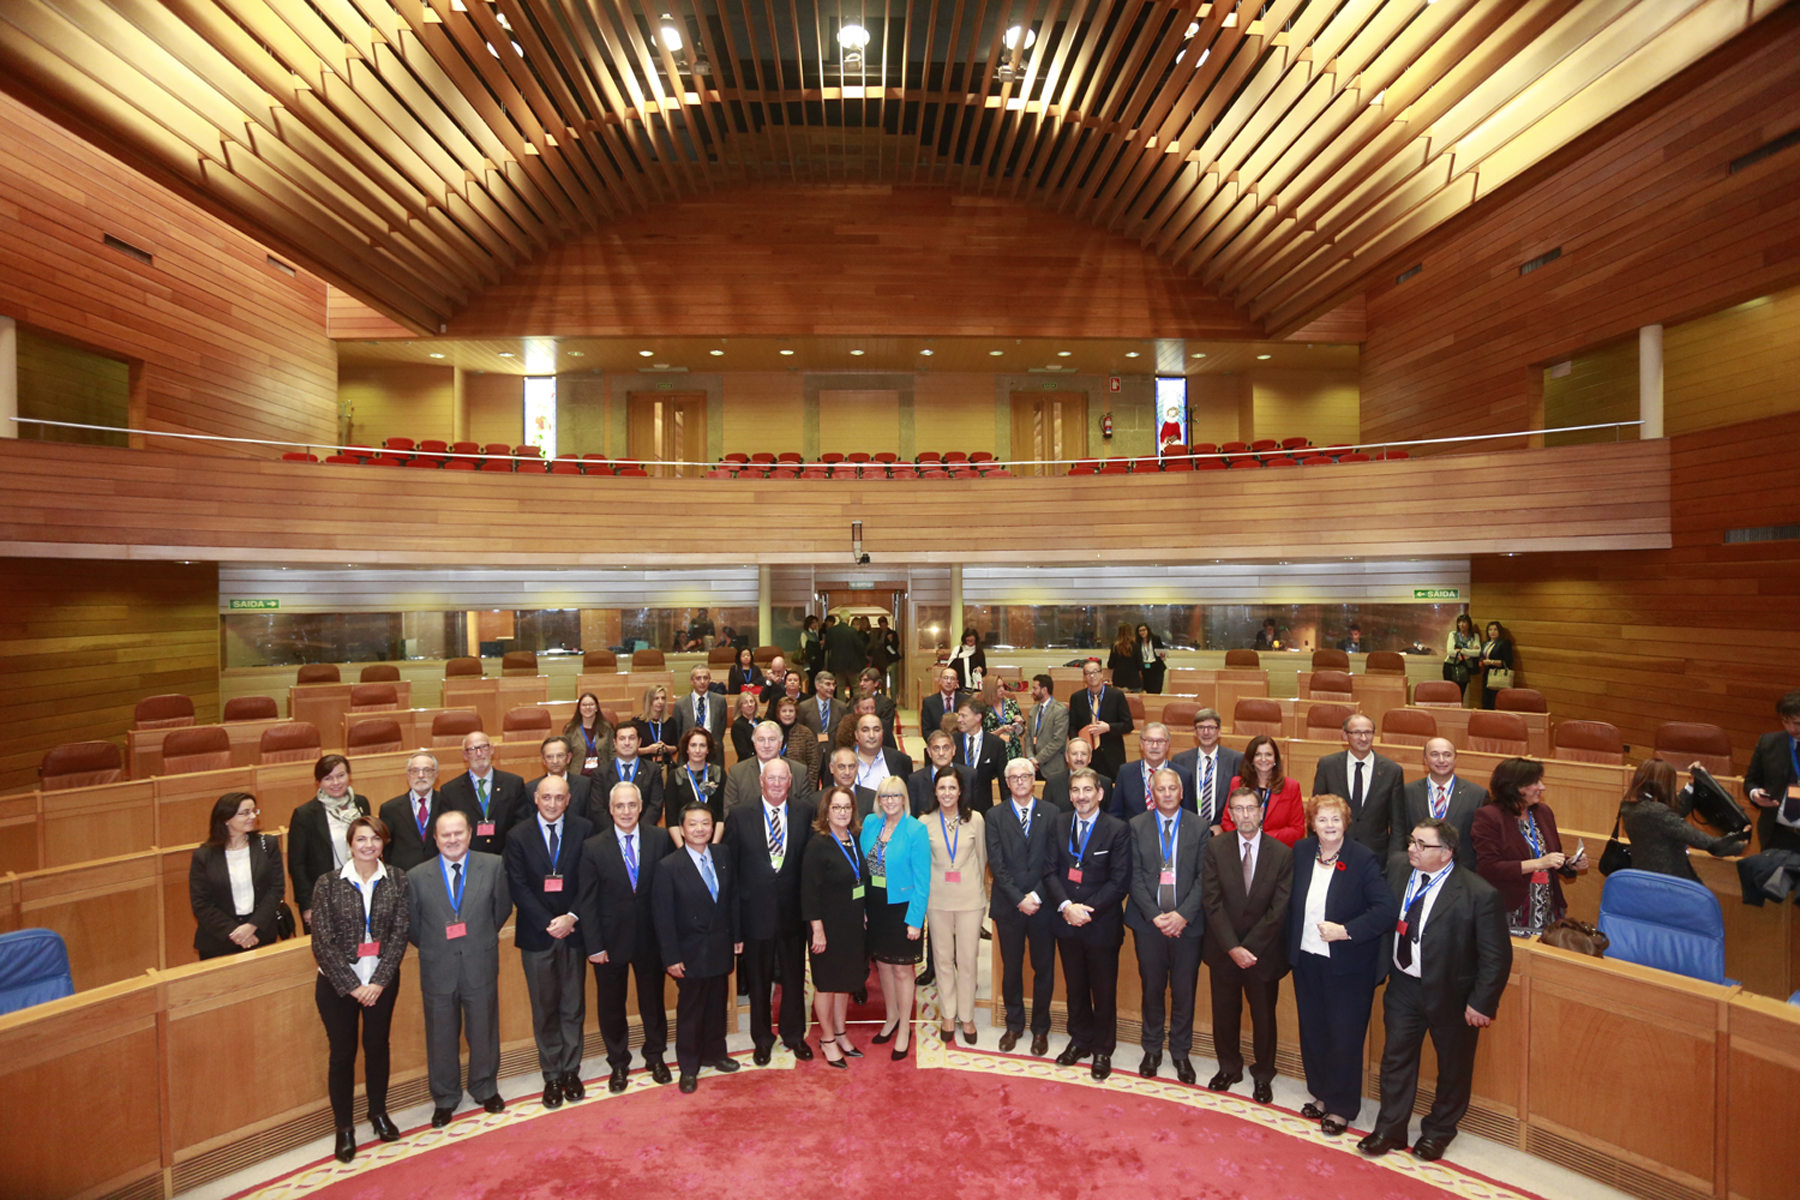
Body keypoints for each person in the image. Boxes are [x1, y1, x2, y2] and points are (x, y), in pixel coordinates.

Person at [1360, 818, 1513, 1162]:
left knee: (1453, 1068)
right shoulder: (1399, 868)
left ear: (1446, 853)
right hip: (1403, 986)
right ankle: (1390, 1130)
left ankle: (1438, 1132)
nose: (1411, 849)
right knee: (1395, 1059)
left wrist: (1482, 1002)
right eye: (1411, 841)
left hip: (1452, 994)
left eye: (1421, 845)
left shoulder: (1479, 894)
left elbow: (1496, 956)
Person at [1287, 793, 1396, 1137]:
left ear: (1346, 823)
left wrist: (1345, 931)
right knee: (1313, 1031)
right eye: (1322, 819)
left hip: (1348, 965)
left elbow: (1385, 910)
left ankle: (1342, 1107)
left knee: (1343, 1037)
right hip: (1306, 957)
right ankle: (1321, 1094)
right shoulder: (1302, 851)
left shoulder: (1362, 858)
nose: (1329, 825)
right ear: (1312, 824)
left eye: (1336, 819)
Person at [311, 815, 409, 1162]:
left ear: (384, 843)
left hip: (381, 982)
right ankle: (344, 1128)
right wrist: (354, 986)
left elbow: (400, 933)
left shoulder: (397, 879)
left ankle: (378, 1113)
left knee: (378, 1048)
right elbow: (321, 941)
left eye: (375, 839)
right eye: (361, 839)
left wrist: (378, 981)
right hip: (338, 986)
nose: (369, 845)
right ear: (350, 844)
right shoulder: (328, 883)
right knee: (342, 1055)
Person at [407, 808, 512, 1128]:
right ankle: (445, 1097)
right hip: (437, 964)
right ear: (435, 838)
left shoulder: (493, 865)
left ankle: (485, 1087)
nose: (452, 839)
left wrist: (478, 939)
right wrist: (438, 946)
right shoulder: (416, 876)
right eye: (445, 834)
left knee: (484, 1029)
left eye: (458, 833)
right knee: (440, 1035)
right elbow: (413, 926)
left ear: (470, 834)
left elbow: (501, 910)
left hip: (479, 960)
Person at [578, 780, 676, 1092]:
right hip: (610, 942)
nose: (626, 811)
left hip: (651, 939)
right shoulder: (593, 847)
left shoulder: (660, 838)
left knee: (653, 1003)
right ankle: (618, 1063)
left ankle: (655, 1057)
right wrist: (594, 945)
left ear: (641, 807)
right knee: (611, 1007)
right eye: (619, 806)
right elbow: (587, 901)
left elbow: (668, 892)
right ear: (610, 809)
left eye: (631, 805)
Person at [504, 774, 592, 1109]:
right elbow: (517, 886)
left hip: (574, 932)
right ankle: (552, 1074)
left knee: (573, 1006)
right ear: (536, 799)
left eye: (559, 797)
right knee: (544, 1010)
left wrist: (571, 916)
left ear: (568, 800)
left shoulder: (584, 829)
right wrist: (548, 922)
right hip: (537, 934)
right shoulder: (518, 835)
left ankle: (571, 1070)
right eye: (546, 797)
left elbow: (588, 880)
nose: (552, 803)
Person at [1202, 787, 1293, 1099]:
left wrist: (1249, 948)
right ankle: (1229, 1067)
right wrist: (1232, 947)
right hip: (1223, 950)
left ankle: (1263, 1074)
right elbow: (1211, 901)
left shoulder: (1281, 853)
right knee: (1225, 1014)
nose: (1245, 815)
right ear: (1230, 814)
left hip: (1263, 954)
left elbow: (1279, 909)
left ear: (1261, 812)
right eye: (1238, 809)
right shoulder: (1216, 848)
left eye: (1250, 808)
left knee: (1264, 1019)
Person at [724, 758, 816, 1063]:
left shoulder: (805, 812)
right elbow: (732, 873)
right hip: (755, 915)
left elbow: (810, 866)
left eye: (782, 779)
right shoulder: (740, 815)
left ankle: (794, 1035)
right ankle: (762, 1039)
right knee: (759, 981)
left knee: (794, 979)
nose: (776, 784)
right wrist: (735, 926)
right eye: (771, 779)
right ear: (761, 781)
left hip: (793, 913)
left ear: (790, 782)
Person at [1046, 768, 1132, 1080]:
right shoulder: (1058, 823)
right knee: (1076, 987)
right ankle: (1079, 1040)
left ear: (1100, 793)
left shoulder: (1117, 829)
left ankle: (1102, 1049)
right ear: (1070, 795)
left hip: (1101, 924)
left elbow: (1120, 881)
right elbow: (1049, 870)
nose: (1081, 796)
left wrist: (1086, 909)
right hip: (1066, 921)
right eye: (1076, 790)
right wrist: (1067, 907)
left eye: (1087, 790)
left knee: (1103, 990)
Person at [653, 801, 744, 1093]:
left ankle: (716, 1054)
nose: (699, 829)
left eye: (705, 823)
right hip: (689, 951)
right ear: (681, 829)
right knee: (691, 1012)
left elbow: (732, 898)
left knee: (717, 1005)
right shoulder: (668, 866)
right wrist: (671, 956)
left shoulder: (723, 854)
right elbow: (663, 916)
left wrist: (737, 936)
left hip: (720, 944)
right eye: (692, 824)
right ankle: (689, 1067)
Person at [1126, 767, 1208, 1080]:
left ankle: (1180, 1052)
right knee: (1152, 988)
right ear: (1152, 793)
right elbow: (1133, 875)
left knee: (1184, 991)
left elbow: (1204, 876)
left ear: (1182, 791)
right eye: (1161, 789)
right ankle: (1152, 1049)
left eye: (1173, 788)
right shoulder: (1136, 825)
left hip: (1188, 925)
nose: (1168, 794)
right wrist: (1155, 914)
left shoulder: (1199, 826)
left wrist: (1182, 914)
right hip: (1149, 924)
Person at [986, 758, 1056, 1057]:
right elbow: (996, 864)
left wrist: (1037, 896)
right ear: (1006, 783)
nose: (1020, 782)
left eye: (1025, 776)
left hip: (1044, 906)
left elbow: (1054, 860)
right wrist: (1019, 899)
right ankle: (1014, 1025)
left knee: (1044, 969)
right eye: (1013, 778)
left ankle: (1040, 1029)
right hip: (1009, 906)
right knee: (1012, 968)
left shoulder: (1052, 813)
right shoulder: (994, 815)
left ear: (1033, 779)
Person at [1470, 757, 1585, 936]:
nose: (1542, 787)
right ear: (1516, 786)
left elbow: (1550, 854)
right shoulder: (1489, 817)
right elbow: (1488, 867)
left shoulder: (1544, 812)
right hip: (1512, 911)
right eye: (1535, 782)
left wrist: (1569, 864)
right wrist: (1539, 863)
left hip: (1548, 909)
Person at [862, 776, 929, 1060]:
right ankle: (891, 1018)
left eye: (895, 795)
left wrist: (915, 920)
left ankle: (905, 1027)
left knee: (902, 970)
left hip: (903, 908)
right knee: (883, 966)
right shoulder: (870, 823)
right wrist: (863, 909)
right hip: (876, 906)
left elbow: (923, 881)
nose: (890, 801)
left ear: (904, 799)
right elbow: (860, 867)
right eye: (885, 796)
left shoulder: (916, 829)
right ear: (878, 800)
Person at [802, 787, 868, 1067]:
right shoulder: (818, 844)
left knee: (845, 981)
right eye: (836, 807)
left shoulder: (854, 839)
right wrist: (817, 929)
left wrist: (863, 912)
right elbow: (809, 892)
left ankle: (840, 1032)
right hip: (826, 926)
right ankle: (827, 1038)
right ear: (826, 811)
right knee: (827, 984)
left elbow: (858, 879)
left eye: (847, 807)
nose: (842, 812)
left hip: (851, 923)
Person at [922, 766, 988, 1045]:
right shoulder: (924, 822)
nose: (947, 793)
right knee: (943, 959)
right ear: (935, 791)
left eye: (952, 787)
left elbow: (982, 858)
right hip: (937, 899)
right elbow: (922, 864)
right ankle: (949, 1014)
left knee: (967, 960)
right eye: (942, 788)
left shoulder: (976, 820)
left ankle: (967, 1015)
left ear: (960, 791)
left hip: (970, 899)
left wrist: (979, 891)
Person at [189, 791, 285, 960]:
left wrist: (252, 926)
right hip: (219, 940)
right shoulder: (204, 855)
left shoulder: (267, 845)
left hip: (260, 933)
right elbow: (201, 902)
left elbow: (276, 888)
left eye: (254, 811)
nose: (252, 817)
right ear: (226, 818)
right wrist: (235, 932)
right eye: (245, 813)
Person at [1620, 758, 1748, 880]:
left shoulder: (1628, 805)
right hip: (1671, 880)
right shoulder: (1658, 813)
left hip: (1643, 875)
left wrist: (1692, 785)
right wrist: (1739, 844)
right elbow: (1703, 841)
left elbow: (1671, 815)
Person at [288, 754, 371, 932]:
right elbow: (297, 865)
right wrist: (307, 905)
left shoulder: (361, 804)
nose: (336, 783)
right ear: (318, 782)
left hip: (362, 888)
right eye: (328, 778)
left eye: (341, 775)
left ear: (349, 776)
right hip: (326, 896)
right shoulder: (305, 814)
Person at [1312, 713, 1402, 855]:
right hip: (1334, 850)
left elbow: (1398, 824)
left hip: (1376, 855)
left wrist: (1394, 859)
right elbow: (1316, 811)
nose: (1363, 738)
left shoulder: (1392, 771)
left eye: (1368, 732)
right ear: (1345, 735)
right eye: (1357, 733)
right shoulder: (1328, 765)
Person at [1391, 739, 1487, 870]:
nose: (1441, 760)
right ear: (1425, 759)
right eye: (1434, 754)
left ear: (1455, 759)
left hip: (1460, 870)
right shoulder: (1407, 792)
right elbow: (1399, 833)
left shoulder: (1477, 794)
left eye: (1447, 755)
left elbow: (1480, 842)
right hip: (1417, 867)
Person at [442, 731, 529, 856]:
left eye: (483, 747)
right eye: (472, 749)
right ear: (465, 755)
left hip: (506, 857)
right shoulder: (450, 790)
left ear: (491, 750)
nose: (479, 753)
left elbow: (521, 826)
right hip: (469, 859)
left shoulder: (513, 784)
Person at [1744, 688, 1800, 855]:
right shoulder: (1769, 743)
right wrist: (1755, 794)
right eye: (1785, 722)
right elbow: (1751, 781)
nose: (1791, 728)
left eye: (1797, 723)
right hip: (1776, 834)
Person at [1224, 735, 1305, 846]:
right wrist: (1247, 838)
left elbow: (1297, 829)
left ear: (1275, 759)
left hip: (1277, 849)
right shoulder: (1237, 783)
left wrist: (1260, 838)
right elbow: (1227, 821)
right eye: (1258, 754)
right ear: (1251, 759)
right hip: (1243, 846)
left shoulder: (1291, 786)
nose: (1263, 759)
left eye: (1268, 754)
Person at [1172, 708, 1243, 831]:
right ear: (1195, 732)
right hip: (1188, 829)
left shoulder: (1236, 760)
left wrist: (1223, 827)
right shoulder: (1180, 760)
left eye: (1211, 727)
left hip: (1222, 831)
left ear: (1219, 731)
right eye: (1201, 727)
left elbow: (1240, 799)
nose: (1206, 732)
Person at [1111, 721, 1194, 820]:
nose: (1154, 746)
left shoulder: (1183, 775)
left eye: (1160, 741)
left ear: (1168, 744)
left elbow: (1190, 817)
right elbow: (1116, 814)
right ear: (1141, 744)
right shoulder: (1125, 772)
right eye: (1149, 740)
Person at [381, 752, 448, 871]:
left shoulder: (448, 803)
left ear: (436, 774)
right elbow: (386, 849)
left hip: (441, 872)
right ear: (407, 775)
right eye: (415, 771)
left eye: (427, 770)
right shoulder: (390, 809)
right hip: (405, 874)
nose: (421, 775)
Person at [1068, 658, 1133, 779]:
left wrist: (1109, 727)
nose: (1092, 676)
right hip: (1086, 756)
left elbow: (1128, 724)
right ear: (1084, 677)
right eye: (1088, 673)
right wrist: (1079, 744)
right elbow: (1072, 726)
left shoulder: (1116, 695)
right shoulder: (1077, 697)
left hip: (1111, 755)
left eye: (1095, 672)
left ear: (1101, 674)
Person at [597, 723, 665, 828]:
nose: (627, 743)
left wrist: (638, 830)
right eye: (622, 739)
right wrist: (617, 832)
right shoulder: (601, 772)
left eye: (631, 738)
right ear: (615, 743)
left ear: (639, 742)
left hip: (644, 832)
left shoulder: (653, 770)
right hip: (610, 833)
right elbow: (597, 809)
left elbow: (656, 806)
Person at [667, 727, 725, 842]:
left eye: (702, 745)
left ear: (708, 749)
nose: (697, 750)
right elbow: (671, 818)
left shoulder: (718, 774)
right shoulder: (675, 776)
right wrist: (683, 849)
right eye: (693, 745)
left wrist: (714, 846)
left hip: (714, 839)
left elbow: (722, 814)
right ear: (687, 749)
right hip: (683, 841)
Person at [722, 719, 794, 812]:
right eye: (761, 740)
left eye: (772, 739)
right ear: (754, 743)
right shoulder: (737, 773)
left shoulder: (798, 771)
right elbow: (730, 813)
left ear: (780, 743)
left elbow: (805, 813)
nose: (766, 745)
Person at [525, 735, 594, 822]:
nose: (555, 761)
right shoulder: (531, 788)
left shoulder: (585, 785)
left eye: (560, 755)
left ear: (568, 758)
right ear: (543, 760)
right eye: (550, 757)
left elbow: (591, 818)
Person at [954, 699, 1006, 812]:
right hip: (955, 808)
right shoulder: (952, 741)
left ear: (978, 717)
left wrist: (1007, 811)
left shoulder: (995, 744)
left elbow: (1003, 781)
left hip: (983, 809)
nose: (959, 720)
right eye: (959, 715)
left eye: (963, 716)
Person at [908, 728, 972, 816]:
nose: (941, 753)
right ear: (929, 752)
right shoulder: (915, 780)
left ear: (953, 750)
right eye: (936, 748)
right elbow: (912, 816)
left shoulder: (969, 776)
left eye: (946, 748)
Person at [675, 665, 728, 767]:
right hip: (689, 754)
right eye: (698, 678)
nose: (702, 681)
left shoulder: (720, 701)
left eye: (705, 678)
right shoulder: (680, 704)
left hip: (714, 753)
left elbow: (721, 727)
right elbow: (678, 732)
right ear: (692, 681)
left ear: (709, 680)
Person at [1043, 736, 1114, 813]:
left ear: (1090, 757)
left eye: (1083, 754)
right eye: (1074, 754)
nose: (1079, 758)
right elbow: (1047, 814)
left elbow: (1110, 814)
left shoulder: (1104, 783)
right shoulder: (1053, 782)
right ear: (1067, 757)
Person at [850, 712, 911, 798]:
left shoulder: (901, 760)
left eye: (876, 730)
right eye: (865, 730)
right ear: (856, 734)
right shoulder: (842, 760)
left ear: (882, 733)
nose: (871, 735)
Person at [1022, 674, 1069, 782]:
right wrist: (1030, 757)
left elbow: (1058, 740)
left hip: (1053, 768)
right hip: (1034, 767)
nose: (1032, 691)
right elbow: (1028, 736)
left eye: (1035, 688)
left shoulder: (1060, 711)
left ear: (1044, 690)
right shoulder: (1033, 710)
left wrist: (1038, 759)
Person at [774, 694, 821, 794]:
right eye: (784, 711)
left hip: (799, 785)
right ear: (778, 714)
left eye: (791, 711)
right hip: (775, 783)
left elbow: (813, 763)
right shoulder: (772, 732)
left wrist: (810, 788)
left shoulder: (806, 733)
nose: (787, 714)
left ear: (796, 713)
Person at [563, 692, 614, 778]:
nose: (588, 707)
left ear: (596, 707)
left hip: (603, 776)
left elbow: (613, 753)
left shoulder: (607, 728)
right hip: (578, 776)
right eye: (584, 705)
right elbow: (565, 754)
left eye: (591, 704)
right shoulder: (570, 730)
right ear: (579, 708)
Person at [979, 672, 1026, 762]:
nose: (1002, 690)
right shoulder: (982, 708)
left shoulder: (1011, 704)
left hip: (1013, 749)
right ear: (990, 689)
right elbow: (981, 736)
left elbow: (1022, 732)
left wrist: (1020, 724)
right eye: (998, 687)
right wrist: (1000, 730)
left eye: (1003, 686)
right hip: (993, 750)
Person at [633, 685, 679, 770]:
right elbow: (631, 750)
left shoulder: (670, 721)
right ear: (648, 701)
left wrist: (666, 748)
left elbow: (676, 747)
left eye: (663, 698)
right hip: (643, 767)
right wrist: (648, 750)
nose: (660, 702)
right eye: (656, 698)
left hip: (665, 766)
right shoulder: (637, 722)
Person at [800, 670, 845, 752]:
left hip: (833, 752)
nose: (832, 688)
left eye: (833, 684)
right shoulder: (804, 707)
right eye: (828, 684)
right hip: (812, 752)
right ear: (817, 686)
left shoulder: (841, 707)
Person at [920, 665, 966, 742]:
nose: (949, 681)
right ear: (940, 681)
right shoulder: (929, 702)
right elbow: (926, 731)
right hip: (938, 744)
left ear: (957, 682)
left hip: (961, 743)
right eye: (945, 678)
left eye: (952, 678)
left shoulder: (966, 700)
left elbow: (969, 726)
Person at [823, 615, 870, 691]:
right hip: (851, 664)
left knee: (840, 687)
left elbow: (827, 647)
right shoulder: (852, 631)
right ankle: (857, 699)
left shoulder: (832, 631)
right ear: (848, 619)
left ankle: (841, 699)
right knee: (856, 686)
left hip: (837, 664)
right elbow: (860, 647)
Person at [1477, 620, 1514, 709]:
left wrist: (1491, 662)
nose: (1492, 632)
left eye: (1495, 629)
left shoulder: (1504, 643)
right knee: (1486, 699)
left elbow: (1508, 661)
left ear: (1499, 631)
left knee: (1495, 700)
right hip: (1486, 673)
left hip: (1498, 674)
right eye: (1490, 630)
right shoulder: (1485, 643)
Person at [1444, 614, 1481, 692]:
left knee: (1461, 691)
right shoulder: (1453, 634)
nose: (1461, 624)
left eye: (1464, 622)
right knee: (1449, 691)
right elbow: (1450, 651)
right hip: (1450, 665)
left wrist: (1462, 650)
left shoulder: (1474, 636)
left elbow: (1477, 653)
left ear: (1469, 623)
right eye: (1459, 622)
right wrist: (1470, 651)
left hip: (1465, 667)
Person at [1106, 622, 1142, 691]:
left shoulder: (1115, 647)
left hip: (1118, 682)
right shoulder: (1136, 646)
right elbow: (1140, 666)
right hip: (1134, 681)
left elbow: (1110, 665)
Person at [1135, 623, 1170, 694]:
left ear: (1148, 630)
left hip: (1156, 667)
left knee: (1156, 690)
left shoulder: (1155, 639)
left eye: (1143, 630)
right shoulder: (1138, 642)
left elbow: (1161, 651)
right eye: (1140, 631)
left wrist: (1163, 656)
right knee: (1148, 690)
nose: (1142, 632)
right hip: (1145, 667)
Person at [728, 690, 761, 763]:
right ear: (740, 706)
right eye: (745, 702)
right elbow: (743, 752)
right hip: (748, 763)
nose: (749, 705)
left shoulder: (760, 721)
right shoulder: (738, 726)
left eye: (751, 701)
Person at [796, 614, 822, 687]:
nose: (815, 624)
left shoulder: (814, 634)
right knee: (811, 679)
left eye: (816, 622)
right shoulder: (805, 633)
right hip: (809, 661)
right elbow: (804, 646)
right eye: (813, 623)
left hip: (816, 661)